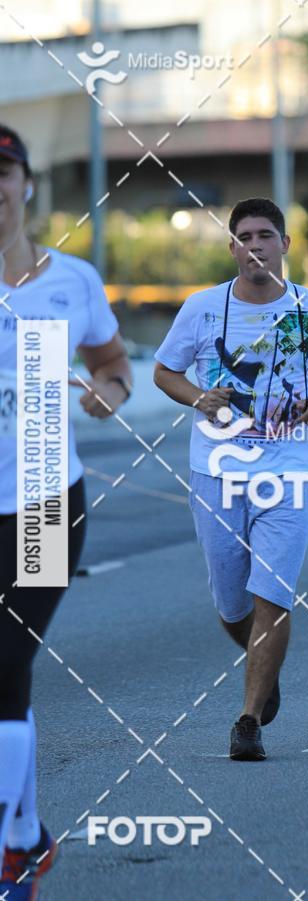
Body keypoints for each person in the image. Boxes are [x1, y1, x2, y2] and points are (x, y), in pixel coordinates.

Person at [154, 197, 308, 761]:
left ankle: (248, 721)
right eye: (244, 236)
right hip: (216, 469)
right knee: (231, 602)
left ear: (285, 245)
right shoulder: (201, 308)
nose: (255, 246)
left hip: (288, 469)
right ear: (232, 248)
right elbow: (164, 371)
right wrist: (198, 396)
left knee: (271, 591)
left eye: (266, 235)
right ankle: (262, 673)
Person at [0, 124, 132, 899]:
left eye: (5, 171)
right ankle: (25, 836)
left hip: (48, 498)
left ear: (25, 185)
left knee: (7, 661)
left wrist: (107, 397)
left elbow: (113, 365)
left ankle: (12, 850)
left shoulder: (71, 279)